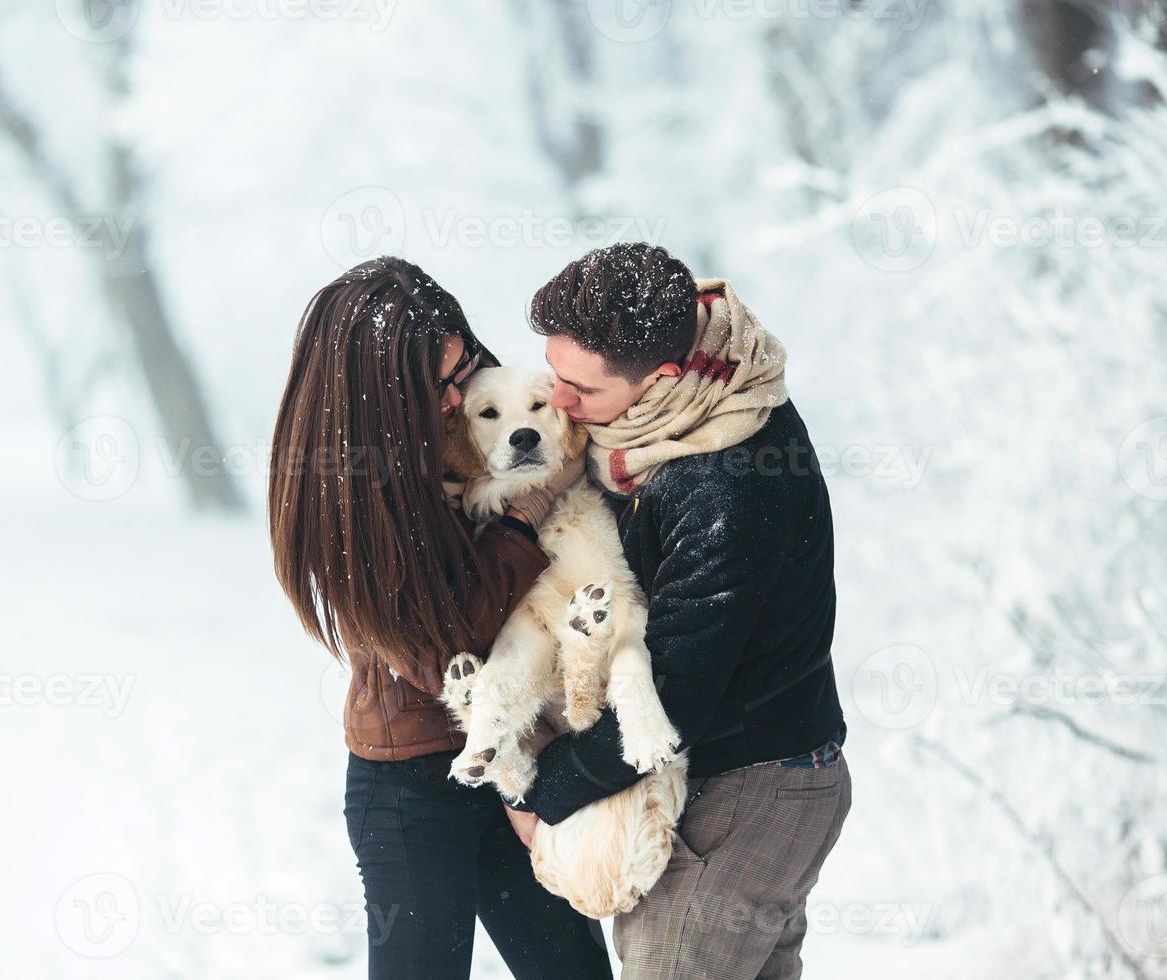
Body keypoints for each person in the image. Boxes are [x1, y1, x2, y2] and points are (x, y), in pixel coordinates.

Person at [506, 243, 851, 979]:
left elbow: (675, 691)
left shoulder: (725, 477)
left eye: (580, 390)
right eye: (553, 375)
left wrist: (544, 790)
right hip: (756, 779)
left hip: (747, 792)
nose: (560, 402)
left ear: (663, 376)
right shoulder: (682, 411)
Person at [267, 256, 610, 980]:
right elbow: (444, 646)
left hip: (517, 752)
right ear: (378, 397)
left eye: (466, 369)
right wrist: (526, 511)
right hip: (412, 786)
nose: (461, 398)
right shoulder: (348, 494)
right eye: (441, 384)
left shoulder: (476, 428)